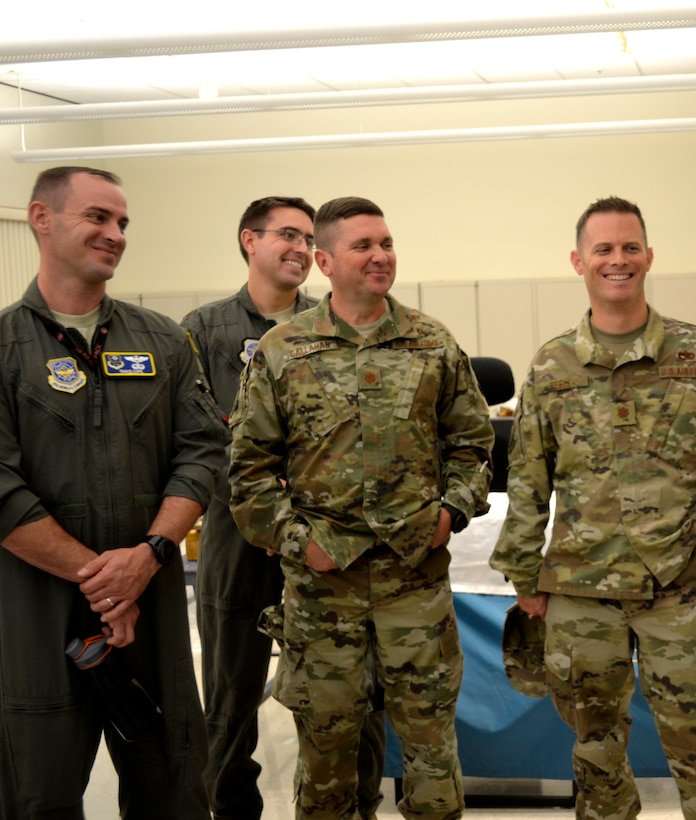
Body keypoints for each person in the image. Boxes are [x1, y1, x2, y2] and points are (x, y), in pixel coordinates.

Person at [490, 196, 696, 820]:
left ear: (649, 256)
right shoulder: (552, 365)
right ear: (578, 261)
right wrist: (524, 577)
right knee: (596, 754)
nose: (618, 260)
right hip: (579, 593)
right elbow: (528, 476)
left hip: (673, 587)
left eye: (630, 247)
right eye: (603, 249)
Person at [228, 195, 494, 819]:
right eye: (363, 246)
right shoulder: (282, 351)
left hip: (415, 583)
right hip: (324, 591)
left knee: (432, 755)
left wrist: (450, 512)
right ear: (323, 260)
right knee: (325, 760)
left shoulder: (432, 343)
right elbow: (248, 474)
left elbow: (474, 448)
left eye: (387, 244)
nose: (381, 256)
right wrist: (300, 543)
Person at [0, 166, 228, 817]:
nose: (115, 234)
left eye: (122, 222)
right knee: (34, 790)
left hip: (149, 611)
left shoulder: (163, 342)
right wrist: (104, 578)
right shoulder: (4, 347)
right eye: (98, 217)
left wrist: (149, 555)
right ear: (41, 218)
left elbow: (201, 452)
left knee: (176, 781)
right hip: (32, 612)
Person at [182, 196, 386, 820]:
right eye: (287, 235)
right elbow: (203, 439)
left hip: (329, 548)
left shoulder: (335, 325)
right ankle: (231, 808)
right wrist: (270, 522)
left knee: (350, 693)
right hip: (241, 546)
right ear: (250, 240)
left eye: (307, 238)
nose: (299, 248)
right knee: (230, 695)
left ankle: (354, 806)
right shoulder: (202, 330)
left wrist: (306, 528)